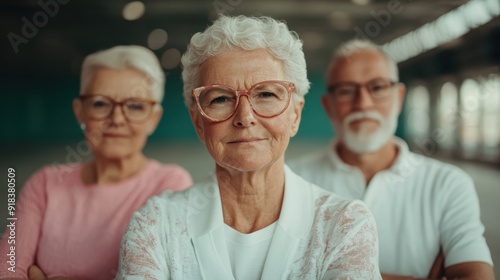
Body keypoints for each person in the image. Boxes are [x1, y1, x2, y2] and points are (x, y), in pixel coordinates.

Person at [116, 15, 382, 279]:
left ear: (295, 116)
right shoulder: (154, 224)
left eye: (266, 94)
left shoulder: (345, 225)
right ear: (198, 122)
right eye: (220, 98)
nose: (245, 117)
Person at [289, 39, 495, 279]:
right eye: (346, 91)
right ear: (328, 105)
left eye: (377, 87)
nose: (363, 103)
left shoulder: (448, 184)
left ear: (398, 97)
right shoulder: (291, 180)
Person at [0, 45, 193, 280]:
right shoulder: (44, 183)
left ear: (153, 119)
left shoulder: (170, 184)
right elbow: (8, 269)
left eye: (135, 106)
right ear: (80, 111)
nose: (117, 119)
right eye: (101, 103)